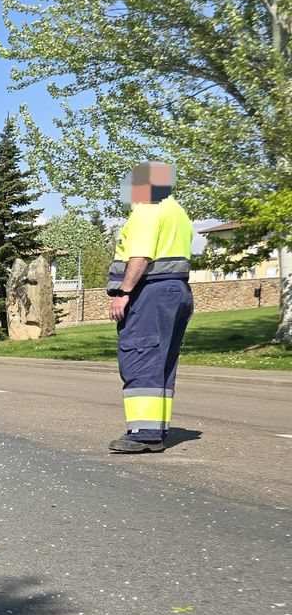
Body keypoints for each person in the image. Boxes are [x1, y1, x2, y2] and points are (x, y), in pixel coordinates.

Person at [107, 161, 194, 453]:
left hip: (151, 291)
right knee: (163, 361)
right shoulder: (177, 211)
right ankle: (157, 429)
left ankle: (144, 433)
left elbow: (141, 255)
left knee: (140, 354)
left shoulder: (147, 209)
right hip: (177, 291)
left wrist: (123, 292)